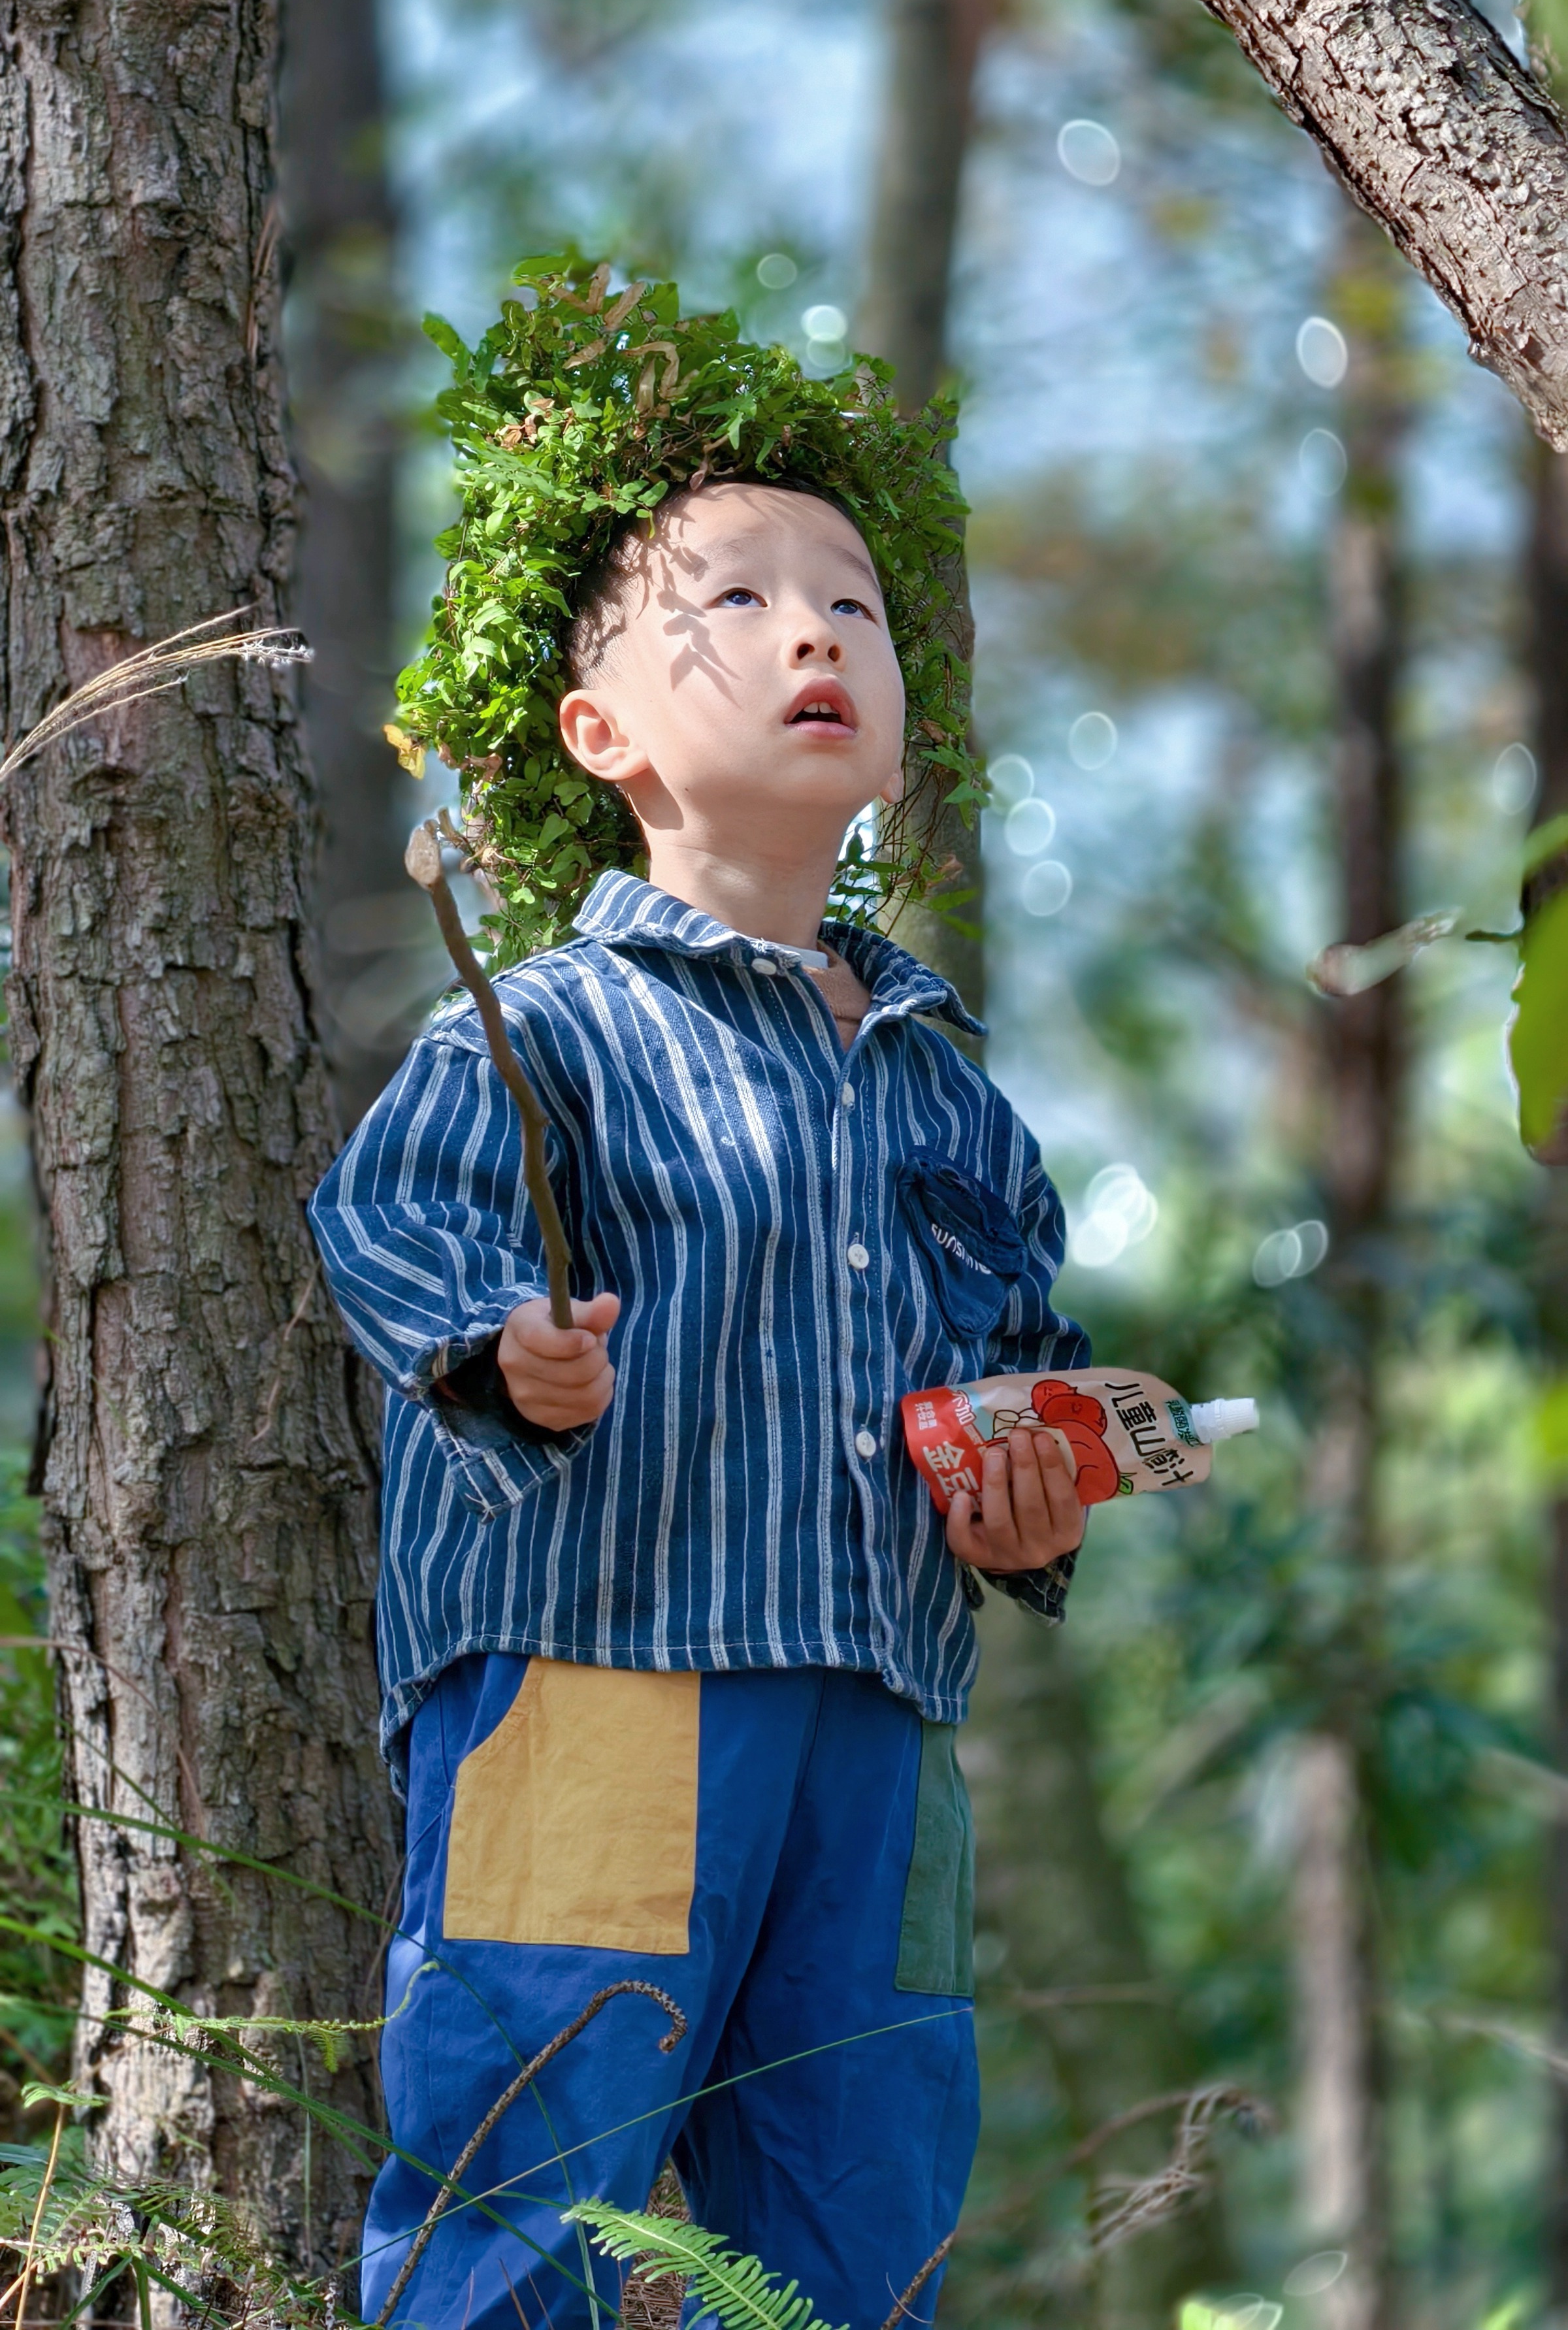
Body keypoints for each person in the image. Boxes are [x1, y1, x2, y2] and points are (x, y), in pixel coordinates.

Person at [310, 258, 1088, 2330]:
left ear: (901, 724)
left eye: (853, 605)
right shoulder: (548, 1024)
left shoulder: (949, 1082)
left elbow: (1016, 1363)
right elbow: (393, 1221)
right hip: (600, 1669)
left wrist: (1029, 1498)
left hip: (880, 1708)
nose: (813, 631)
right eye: (733, 600)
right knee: (529, 2167)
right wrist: (506, 1355)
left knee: (862, 2192)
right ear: (602, 733)